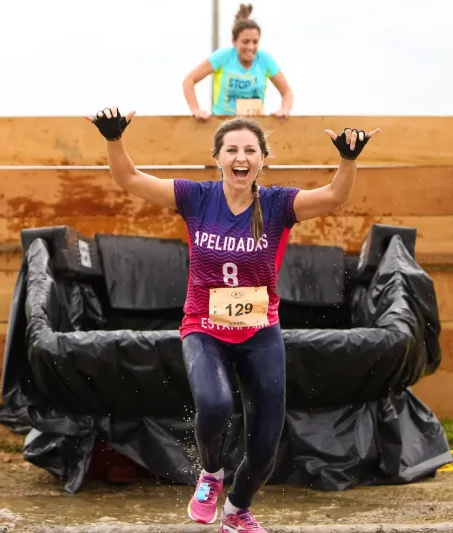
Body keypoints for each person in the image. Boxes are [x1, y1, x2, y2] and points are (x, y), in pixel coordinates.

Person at [86, 106, 379, 533]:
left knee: (264, 445)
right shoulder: (195, 197)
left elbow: (334, 196)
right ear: (218, 158)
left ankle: (238, 510)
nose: (240, 157)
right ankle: (211, 474)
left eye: (249, 150)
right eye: (231, 149)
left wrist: (348, 160)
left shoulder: (279, 204)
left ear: (262, 159)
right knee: (216, 404)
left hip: (260, 332)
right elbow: (130, 179)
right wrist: (114, 140)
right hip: (204, 329)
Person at [182, 3, 293, 120]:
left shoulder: (264, 59)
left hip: (254, 125)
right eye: (245, 41)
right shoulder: (223, 57)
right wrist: (196, 110)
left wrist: (284, 110)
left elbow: (286, 91)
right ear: (234, 41)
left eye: (255, 42)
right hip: (223, 124)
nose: (250, 47)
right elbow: (189, 80)